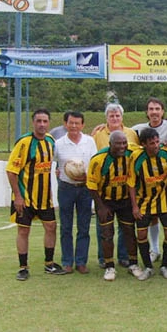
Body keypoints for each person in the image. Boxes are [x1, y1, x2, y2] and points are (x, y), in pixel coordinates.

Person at [6, 108, 63, 280]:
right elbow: (11, 171)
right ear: (33, 122)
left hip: (45, 198)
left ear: (49, 123)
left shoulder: (51, 141)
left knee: (51, 227)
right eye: (39, 121)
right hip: (25, 198)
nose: (42, 124)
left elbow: (56, 162)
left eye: (45, 121)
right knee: (23, 231)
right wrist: (18, 196)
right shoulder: (24, 143)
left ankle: (49, 264)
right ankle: (23, 267)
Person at [87, 131, 141, 281]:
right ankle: (109, 266)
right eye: (118, 143)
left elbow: (146, 148)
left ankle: (133, 264)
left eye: (124, 143)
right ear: (110, 144)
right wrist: (100, 206)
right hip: (106, 201)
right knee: (107, 233)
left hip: (125, 200)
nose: (122, 146)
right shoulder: (99, 159)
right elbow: (91, 185)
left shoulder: (132, 151)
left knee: (129, 231)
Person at [92, 102, 140, 268]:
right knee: (104, 228)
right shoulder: (98, 133)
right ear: (106, 118)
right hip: (104, 189)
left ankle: (124, 257)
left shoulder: (132, 133)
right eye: (111, 116)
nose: (114, 118)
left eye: (117, 115)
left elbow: (138, 152)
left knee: (126, 228)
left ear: (122, 117)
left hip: (125, 190)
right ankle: (104, 259)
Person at [128, 128, 167, 280]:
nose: (156, 145)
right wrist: (135, 206)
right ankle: (148, 267)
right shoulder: (137, 157)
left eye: (157, 142)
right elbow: (131, 183)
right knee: (141, 234)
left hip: (166, 201)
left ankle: (164, 266)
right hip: (145, 202)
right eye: (152, 143)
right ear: (143, 144)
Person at [132, 97, 167, 264]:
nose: (154, 112)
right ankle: (154, 249)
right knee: (152, 218)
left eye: (157, 109)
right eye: (151, 109)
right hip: (147, 186)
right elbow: (120, 132)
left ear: (163, 111)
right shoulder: (138, 129)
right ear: (147, 112)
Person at [53, 111, 97, 275]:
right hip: (66, 187)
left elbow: (94, 162)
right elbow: (53, 162)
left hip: (84, 188)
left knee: (84, 226)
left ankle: (81, 261)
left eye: (77, 123)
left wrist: (88, 175)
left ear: (82, 125)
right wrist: (59, 171)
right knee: (66, 226)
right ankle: (67, 261)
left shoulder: (89, 141)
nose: (74, 126)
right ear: (65, 124)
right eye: (71, 123)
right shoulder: (58, 144)